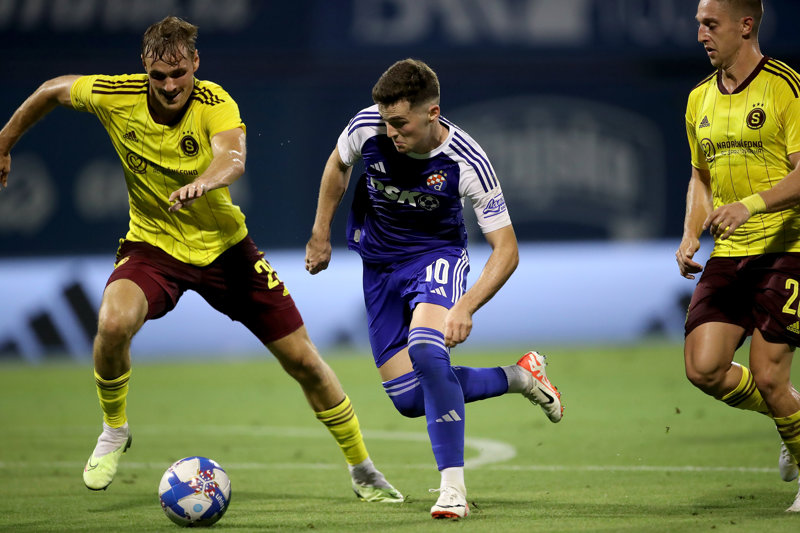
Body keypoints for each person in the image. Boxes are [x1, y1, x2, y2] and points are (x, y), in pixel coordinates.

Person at [0, 16, 403, 503]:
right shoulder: (114, 95)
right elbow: (51, 90)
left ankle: (363, 470)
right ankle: (114, 429)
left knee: (305, 362)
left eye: (179, 74)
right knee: (111, 323)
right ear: (144, 67)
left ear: (195, 62)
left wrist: (206, 181)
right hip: (152, 247)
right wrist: (4, 141)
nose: (170, 86)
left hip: (226, 251)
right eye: (159, 76)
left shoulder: (216, 102)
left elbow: (232, 157)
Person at [305, 58, 563, 519]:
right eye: (386, 121)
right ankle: (521, 376)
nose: (391, 132)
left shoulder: (467, 160)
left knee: (427, 350)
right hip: (379, 267)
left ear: (432, 113)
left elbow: (506, 250)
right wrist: (320, 232)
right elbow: (337, 165)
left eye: (400, 123)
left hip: (435, 257)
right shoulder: (368, 126)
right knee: (408, 399)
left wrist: (466, 306)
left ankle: (453, 489)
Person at [676, 0, 800, 512]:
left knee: (769, 375)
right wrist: (690, 234)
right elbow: (701, 178)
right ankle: (791, 415)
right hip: (730, 252)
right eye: (699, 25)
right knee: (703, 368)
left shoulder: (785, 86)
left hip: (787, 247)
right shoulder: (699, 98)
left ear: (745, 25)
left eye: (711, 24)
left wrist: (751, 205)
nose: (701, 34)